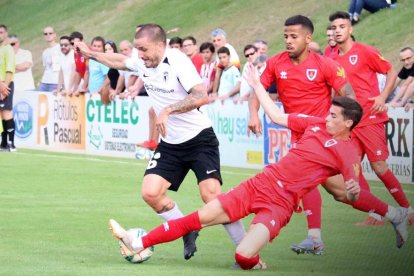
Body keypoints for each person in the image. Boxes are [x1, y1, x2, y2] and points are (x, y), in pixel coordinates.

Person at [109, 87, 409, 270]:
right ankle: (139, 241)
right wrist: (256, 86)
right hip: (259, 185)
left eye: (333, 116)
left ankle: (395, 214)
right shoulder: (315, 124)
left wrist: (355, 189)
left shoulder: (347, 153)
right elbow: (278, 117)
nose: (326, 117)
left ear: (348, 123)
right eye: (328, 113)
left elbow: (351, 194)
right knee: (197, 219)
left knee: (243, 258)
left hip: (280, 204)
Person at [75, 23, 246, 261]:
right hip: (171, 143)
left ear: (159, 44)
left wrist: (167, 111)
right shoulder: (142, 60)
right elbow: (118, 61)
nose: (139, 55)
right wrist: (91, 53)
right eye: (137, 50)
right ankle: (186, 229)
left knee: (212, 197)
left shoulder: (177, 61)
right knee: (151, 193)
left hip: (199, 139)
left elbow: (201, 95)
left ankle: (246, 250)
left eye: (143, 49)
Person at [248, 15, 356, 255]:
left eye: (293, 36)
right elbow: (257, 88)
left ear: (308, 38)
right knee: (338, 192)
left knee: (312, 184)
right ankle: (391, 213)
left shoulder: (325, 64)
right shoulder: (276, 63)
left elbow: (348, 95)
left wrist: (340, 124)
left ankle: (315, 237)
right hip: (298, 131)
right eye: (285, 36)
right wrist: (253, 114)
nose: (288, 40)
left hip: (319, 134)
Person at [328, 10, 414, 226]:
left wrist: (383, 97)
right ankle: (377, 214)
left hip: (371, 119)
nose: (337, 31)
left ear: (350, 29)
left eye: (341, 27)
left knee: (379, 167)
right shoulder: (332, 60)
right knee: (351, 166)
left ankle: (408, 210)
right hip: (350, 124)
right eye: (334, 28)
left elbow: (390, 71)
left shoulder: (364, 51)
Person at [0, 24, 16, 152]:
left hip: (6, 84)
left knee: (6, 112)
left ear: (6, 33)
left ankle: (11, 143)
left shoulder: (8, 49)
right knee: (1, 114)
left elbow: (10, 69)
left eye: (1, 32)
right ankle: (3, 143)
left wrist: (5, 86)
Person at [210, 28, 240, 95]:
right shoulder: (221, 50)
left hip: (229, 91)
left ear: (224, 40)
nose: (216, 43)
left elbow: (218, 74)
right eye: (214, 41)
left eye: (219, 40)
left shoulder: (226, 50)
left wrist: (214, 92)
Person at [39, 26, 61, 92]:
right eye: (45, 34)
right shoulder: (45, 52)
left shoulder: (60, 48)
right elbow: (46, 68)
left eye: (50, 33)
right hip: (44, 82)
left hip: (55, 82)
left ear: (55, 35)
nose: (48, 35)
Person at [69, 31, 87, 96]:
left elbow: (88, 73)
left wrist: (84, 88)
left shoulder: (86, 53)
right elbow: (78, 72)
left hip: (90, 85)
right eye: (72, 43)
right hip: (84, 84)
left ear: (82, 42)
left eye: (78, 43)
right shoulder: (75, 54)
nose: (75, 46)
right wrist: (74, 88)